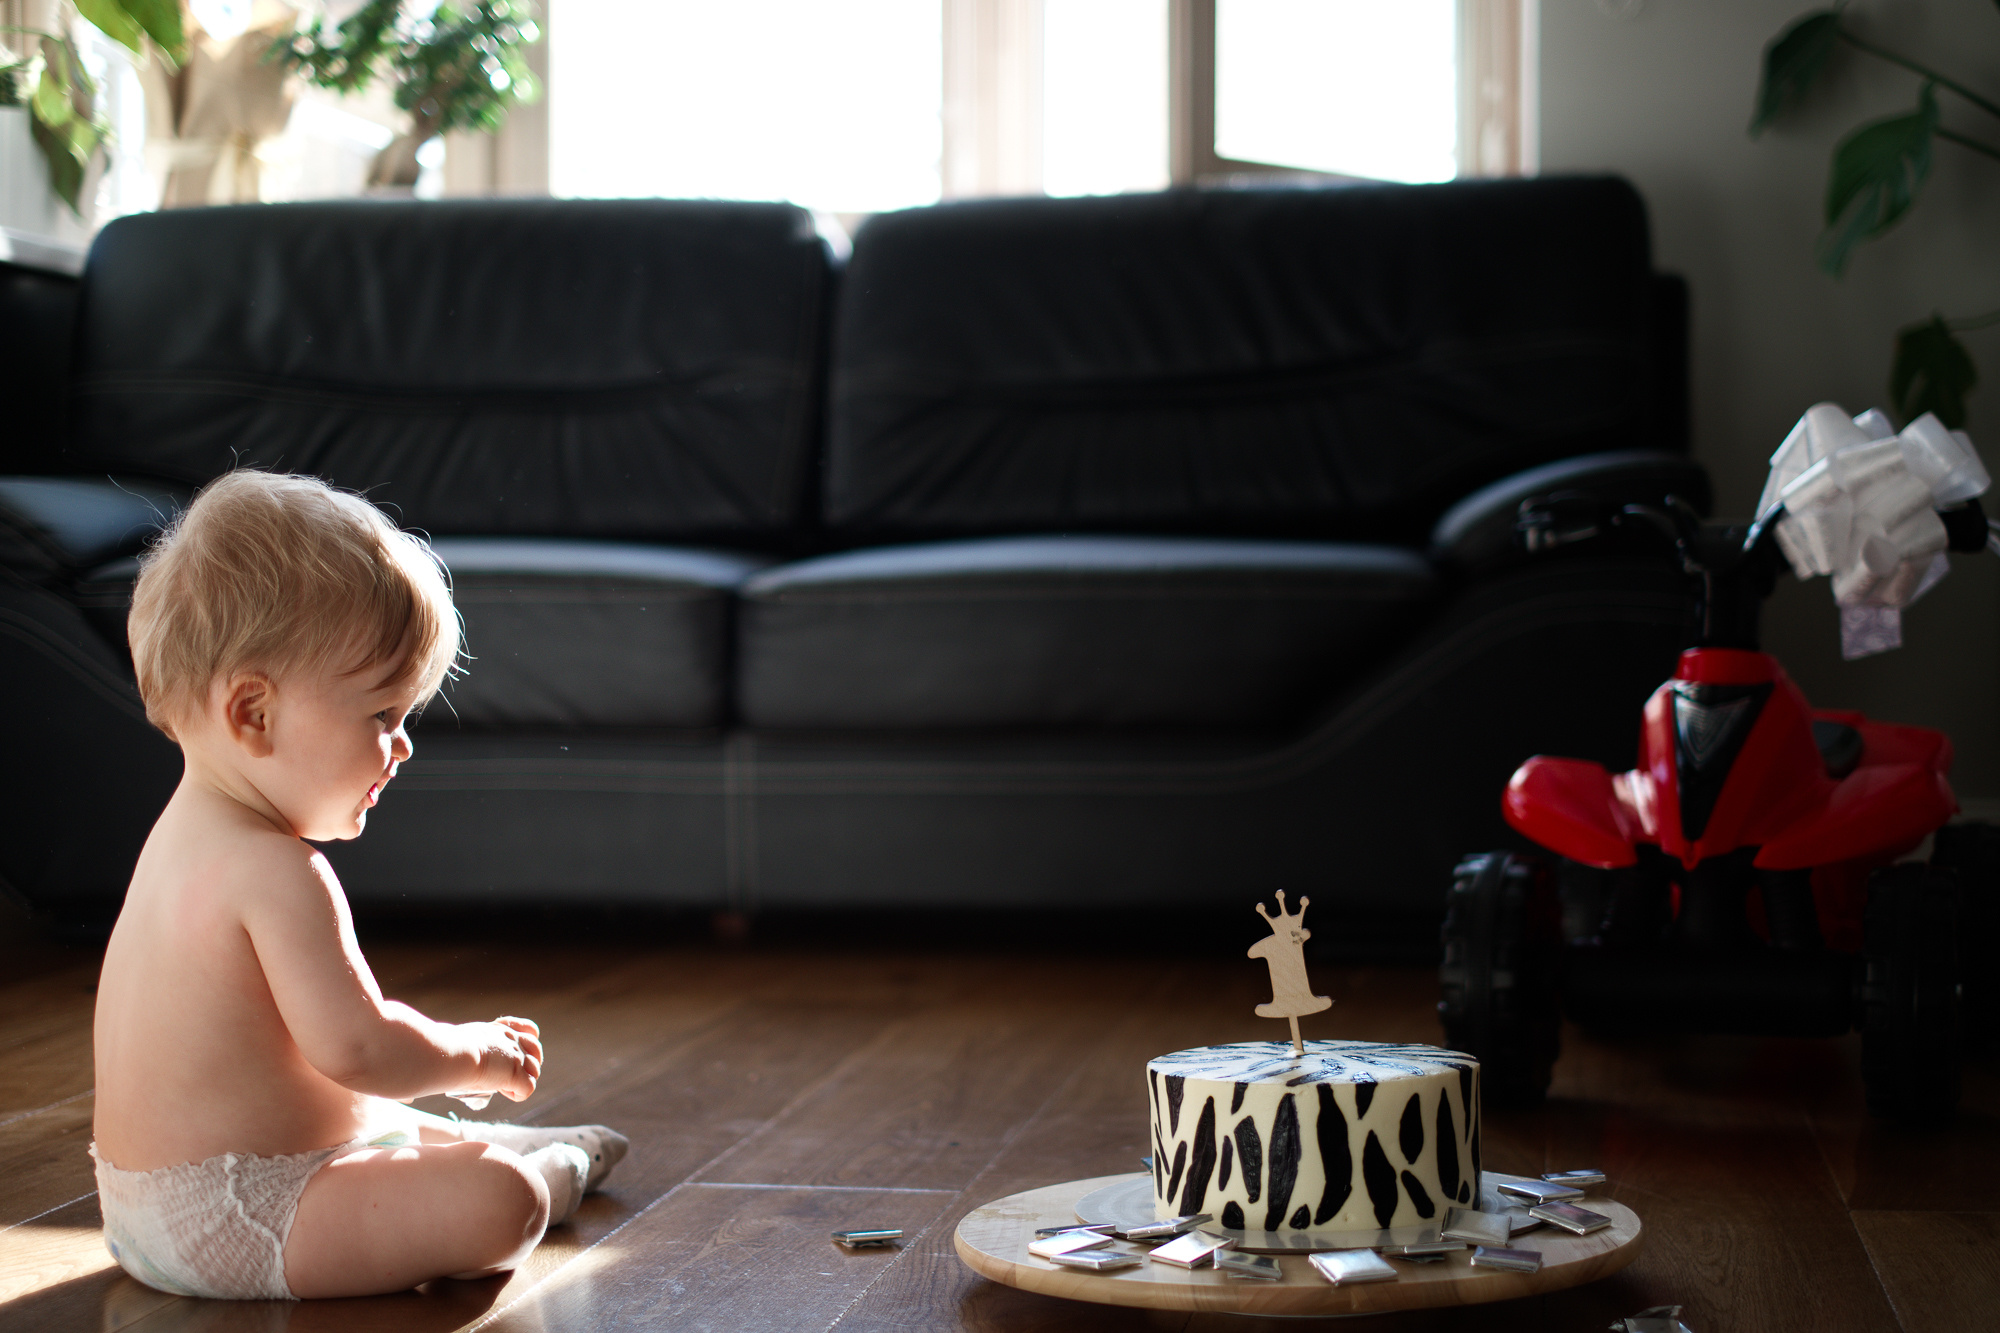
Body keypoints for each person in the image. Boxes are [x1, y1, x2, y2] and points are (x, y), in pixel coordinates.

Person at [91, 470, 628, 1301]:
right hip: (240, 1216)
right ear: (254, 714)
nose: (402, 745)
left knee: (375, 1121)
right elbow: (360, 1049)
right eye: (382, 715)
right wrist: (474, 1055)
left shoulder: (173, 843)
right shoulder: (280, 870)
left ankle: (488, 1145)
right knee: (498, 1201)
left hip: (138, 1209)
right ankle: (542, 1172)